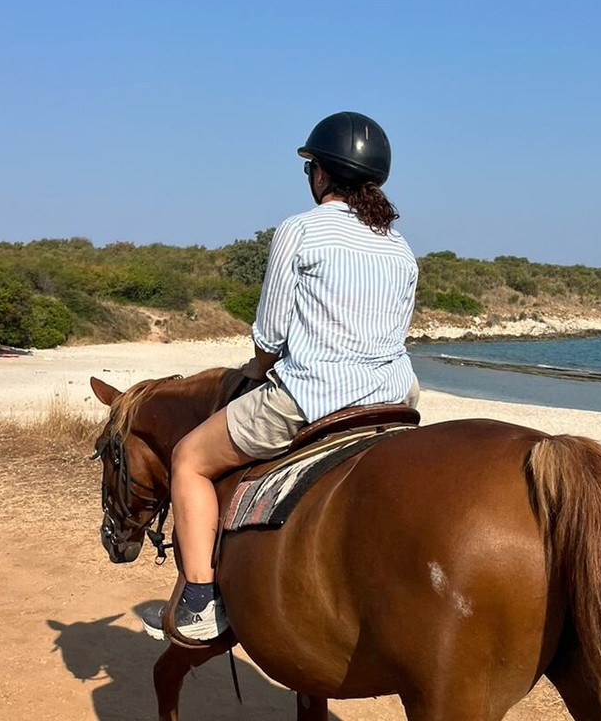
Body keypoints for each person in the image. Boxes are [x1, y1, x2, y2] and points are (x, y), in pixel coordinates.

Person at [142, 111, 419, 641]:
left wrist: (257, 367)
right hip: (393, 399)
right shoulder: (399, 246)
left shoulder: (299, 229)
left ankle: (199, 602)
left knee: (189, 461)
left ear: (320, 173)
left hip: (312, 397)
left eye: (310, 167)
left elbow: (270, 335)